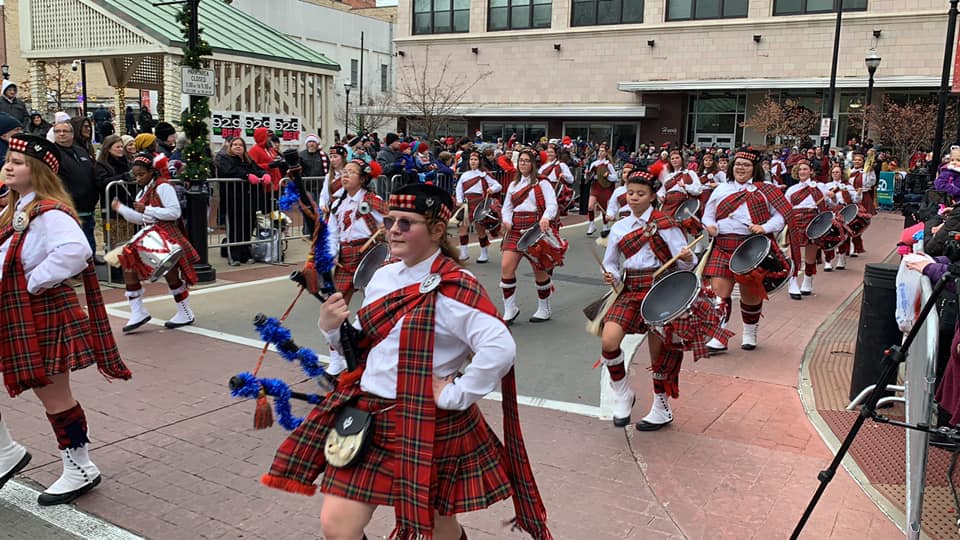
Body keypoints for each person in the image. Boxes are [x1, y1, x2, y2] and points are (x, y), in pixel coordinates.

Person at [262, 182, 552, 540]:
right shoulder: (383, 277)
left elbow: (501, 348)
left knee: (435, 526)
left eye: (406, 223)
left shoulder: (457, 287)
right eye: (390, 220)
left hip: (426, 421)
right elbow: (365, 345)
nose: (393, 230)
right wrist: (332, 328)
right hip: (370, 415)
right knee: (337, 524)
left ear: (435, 231)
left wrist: (455, 394)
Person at [0, 134, 131, 505]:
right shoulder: (15, 208)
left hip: (39, 311)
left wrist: (32, 283)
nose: (9, 165)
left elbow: (76, 251)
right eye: (8, 159)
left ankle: (80, 467)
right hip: (16, 311)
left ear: (39, 170)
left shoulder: (50, 211)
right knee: (50, 393)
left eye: (19, 161)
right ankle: (5, 452)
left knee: (54, 395)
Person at [598, 170, 704, 430]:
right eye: (630, 193)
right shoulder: (620, 227)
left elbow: (684, 264)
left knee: (660, 352)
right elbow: (611, 262)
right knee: (609, 340)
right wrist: (610, 275)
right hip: (631, 287)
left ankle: (660, 406)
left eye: (640, 194)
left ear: (652, 196)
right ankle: (623, 393)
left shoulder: (666, 223)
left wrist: (688, 259)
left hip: (661, 287)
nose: (633, 198)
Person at [701, 149, 788, 351]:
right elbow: (707, 215)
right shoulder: (721, 189)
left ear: (754, 168)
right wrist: (710, 226)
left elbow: (780, 216)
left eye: (746, 165)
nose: (741, 168)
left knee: (750, 293)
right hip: (723, 244)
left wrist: (764, 228)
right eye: (738, 164)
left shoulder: (766, 189)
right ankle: (719, 337)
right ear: (732, 166)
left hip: (752, 246)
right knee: (719, 294)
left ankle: (749, 333)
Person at [112, 153, 200, 332]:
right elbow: (140, 219)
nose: (138, 179)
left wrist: (148, 208)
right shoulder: (143, 191)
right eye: (135, 175)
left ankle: (185, 312)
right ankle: (138, 312)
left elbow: (174, 213)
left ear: (152, 171)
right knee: (128, 265)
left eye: (141, 174)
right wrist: (122, 209)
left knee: (171, 273)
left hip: (167, 234)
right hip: (151, 234)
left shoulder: (163, 187)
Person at [499, 148, 559, 324]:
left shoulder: (543, 183)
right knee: (506, 266)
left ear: (534, 164)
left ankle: (544, 307)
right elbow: (507, 207)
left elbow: (551, 204)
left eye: (527, 160)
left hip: (535, 227)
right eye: (521, 160)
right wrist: (507, 220)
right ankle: (510, 309)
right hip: (515, 228)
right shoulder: (513, 184)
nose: (523, 163)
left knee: (539, 270)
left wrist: (546, 218)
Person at [327, 159, 386, 305]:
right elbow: (332, 233)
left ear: (362, 179)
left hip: (369, 255)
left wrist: (387, 226)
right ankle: (341, 327)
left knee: (374, 299)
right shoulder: (337, 203)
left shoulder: (372, 200)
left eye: (351, 172)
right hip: (345, 255)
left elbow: (390, 221)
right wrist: (331, 253)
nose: (345, 175)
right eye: (344, 172)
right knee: (337, 302)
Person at [214, 136, 267, 264]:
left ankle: (246, 252)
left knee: (248, 226)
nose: (238, 146)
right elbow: (228, 172)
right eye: (235, 144)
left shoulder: (248, 159)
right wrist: (247, 176)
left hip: (249, 199)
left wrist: (265, 174)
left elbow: (257, 169)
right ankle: (234, 255)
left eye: (240, 145)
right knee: (235, 227)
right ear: (230, 147)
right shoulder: (225, 158)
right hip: (233, 199)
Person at [784, 160, 831, 299]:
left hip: (813, 221)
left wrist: (831, 197)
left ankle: (808, 280)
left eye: (805, 169)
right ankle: (792, 282)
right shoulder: (791, 190)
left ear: (811, 171)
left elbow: (831, 202)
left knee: (811, 250)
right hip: (796, 220)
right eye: (800, 170)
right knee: (794, 252)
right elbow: (786, 207)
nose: (802, 172)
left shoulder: (820, 187)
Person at [53, 120, 99, 253]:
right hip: (69, 206)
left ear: (72, 134)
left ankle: (92, 259)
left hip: (88, 206)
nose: (61, 134)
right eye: (58, 131)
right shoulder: (52, 153)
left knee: (89, 236)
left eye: (65, 131)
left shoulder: (81, 151)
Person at [455, 150, 502, 263]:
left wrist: (492, 189)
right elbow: (459, 189)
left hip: (479, 204)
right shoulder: (465, 175)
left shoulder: (484, 174)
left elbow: (498, 185)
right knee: (463, 227)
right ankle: (464, 253)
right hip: (466, 204)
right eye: (471, 159)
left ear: (479, 161)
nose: (473, 161)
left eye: (475, 159)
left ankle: (484, 253)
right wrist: (459, 200)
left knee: (480, 229)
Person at [95, 134, 135, 248]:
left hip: (127, 207)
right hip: (112, 210)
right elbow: (102, 182)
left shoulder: (125, 162)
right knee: (115, 243)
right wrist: (123, 177)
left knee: (128, 243)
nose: (121, 149)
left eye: (122, 146)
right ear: (108, 148)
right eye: (118, 147)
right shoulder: (101, 164)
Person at [821, 164, 859, 271]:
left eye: (837, 172)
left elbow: (856, 200)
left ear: (841, 174)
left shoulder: (848, 186)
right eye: (833, 172)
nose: (835, 174)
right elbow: (823, 200)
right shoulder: (826, 186)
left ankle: (841, 258)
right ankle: (828, 261)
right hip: (829, 212)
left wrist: (859, 193)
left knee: (843, 236)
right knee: (827, 236)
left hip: (843, 212)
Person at [584, 143, 617, 237]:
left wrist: (608, 176)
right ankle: (591, 225)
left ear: (606, 153)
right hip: (595, 186)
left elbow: (615, 177)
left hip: (604, 187)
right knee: (590, 206)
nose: (600, 152)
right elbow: (588, 177)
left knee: (604, 208)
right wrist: (587, 174)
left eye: (603, 151)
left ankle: (605, 226)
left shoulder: (608, 165)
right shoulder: (593, 163)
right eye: (600, 151)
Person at [658, 150, 702, 217]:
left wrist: (685, 186)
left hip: (683, 204)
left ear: (682, 159)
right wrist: (661, 196)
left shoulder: (690, 173)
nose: (674, 160)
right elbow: (661, 191)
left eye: (677, 158)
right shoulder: (668, 176)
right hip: (668, 204)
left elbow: (698, 190)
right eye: (672, 159)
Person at [539, 144, 575, 219]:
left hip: (555, 191)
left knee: (554, 214)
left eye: (552, 152)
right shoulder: (543, 167)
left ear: (555, 154)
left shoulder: (561, 165)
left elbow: (571, 179)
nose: (549, 154)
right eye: (548, 152)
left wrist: (563, 176)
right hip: (543, 191)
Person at [320, 145, 347, 214]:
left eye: (335, 157)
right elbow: (324, 193)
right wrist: (323, 204)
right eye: (331, 157)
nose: (332, 160)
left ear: (343, 158)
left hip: (347, 208)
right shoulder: (329, 176)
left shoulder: (350, 174)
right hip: (333, 209)